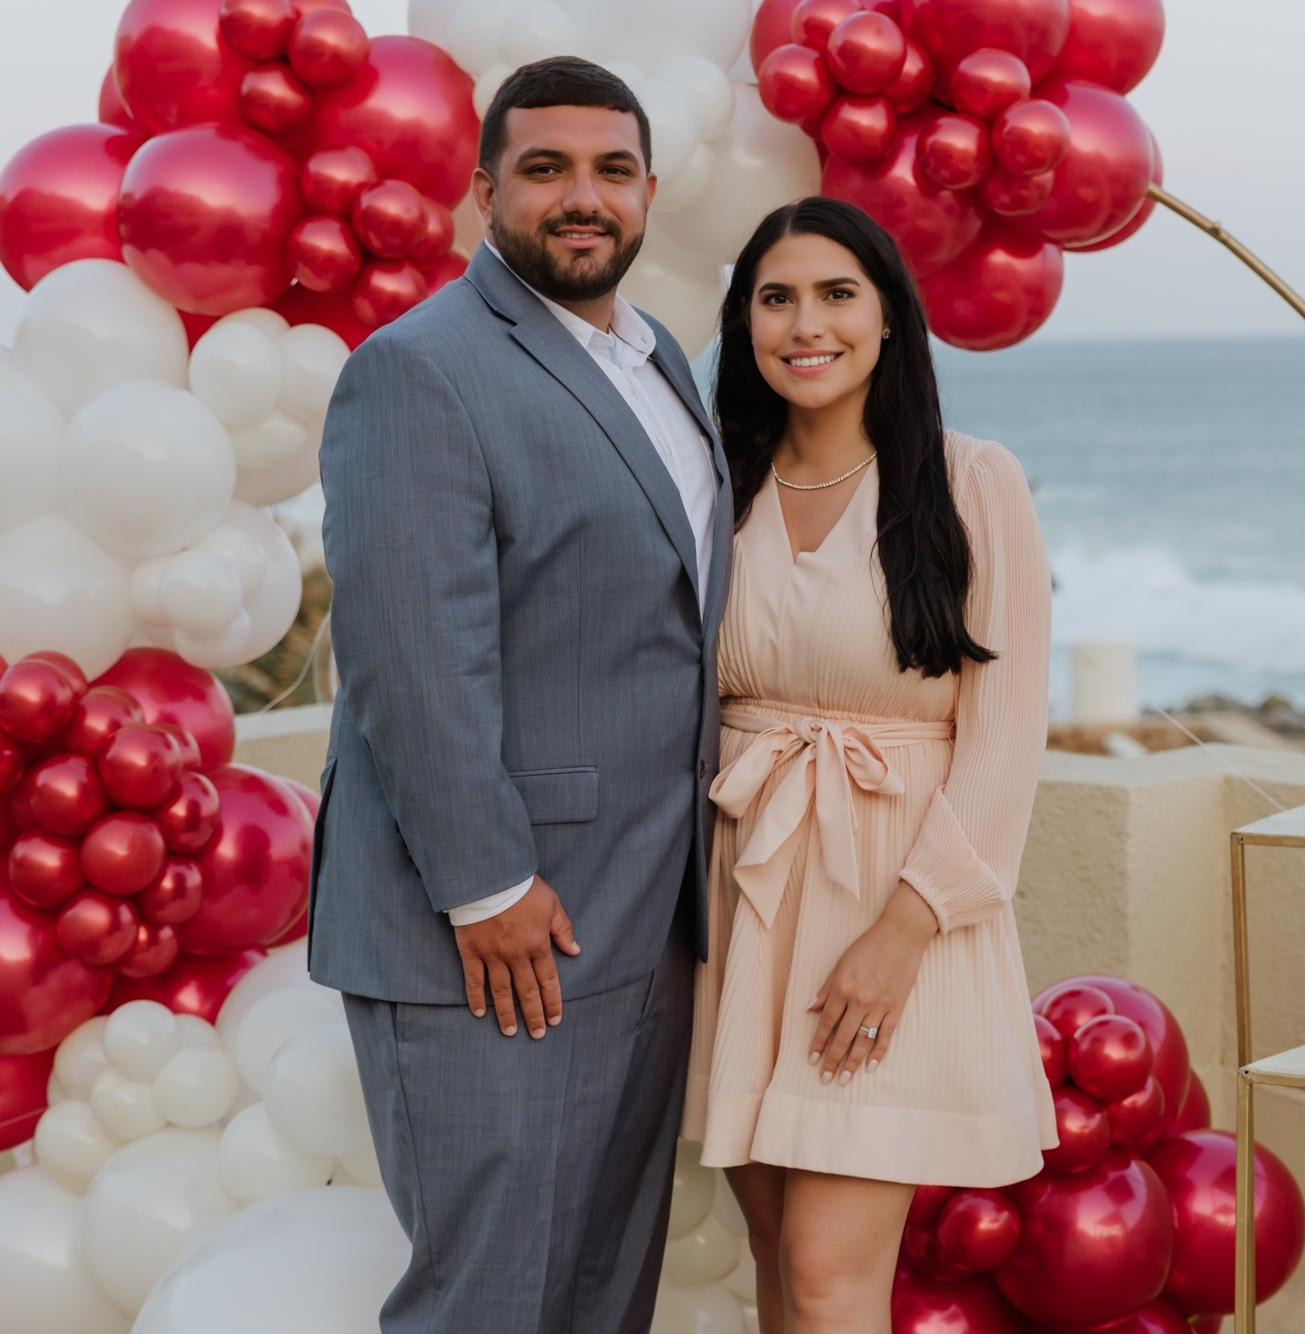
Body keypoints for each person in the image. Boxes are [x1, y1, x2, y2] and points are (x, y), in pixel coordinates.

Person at [309, 57, 731, 1333]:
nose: (581, 196)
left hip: (643, 913)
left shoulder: (657, 359)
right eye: (544, 169)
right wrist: (485, 885)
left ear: (647, 192)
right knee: (488, 1299)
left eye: (611, 170)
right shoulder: (418, 368)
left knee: (601, 1292)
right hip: (496, 931)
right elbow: (407, 652)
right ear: (486, 193)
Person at [681, 196, 1059, 1332]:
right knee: (775, 1255)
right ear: (744, 322)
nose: (807, 324)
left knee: (828, 1270)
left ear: (889, 315)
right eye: (777, 298)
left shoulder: (970, 480)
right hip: (743, 895)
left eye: (837, 293)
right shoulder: (714, 486)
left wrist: (903, 930)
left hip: (898, 908)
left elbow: (1006, 734)